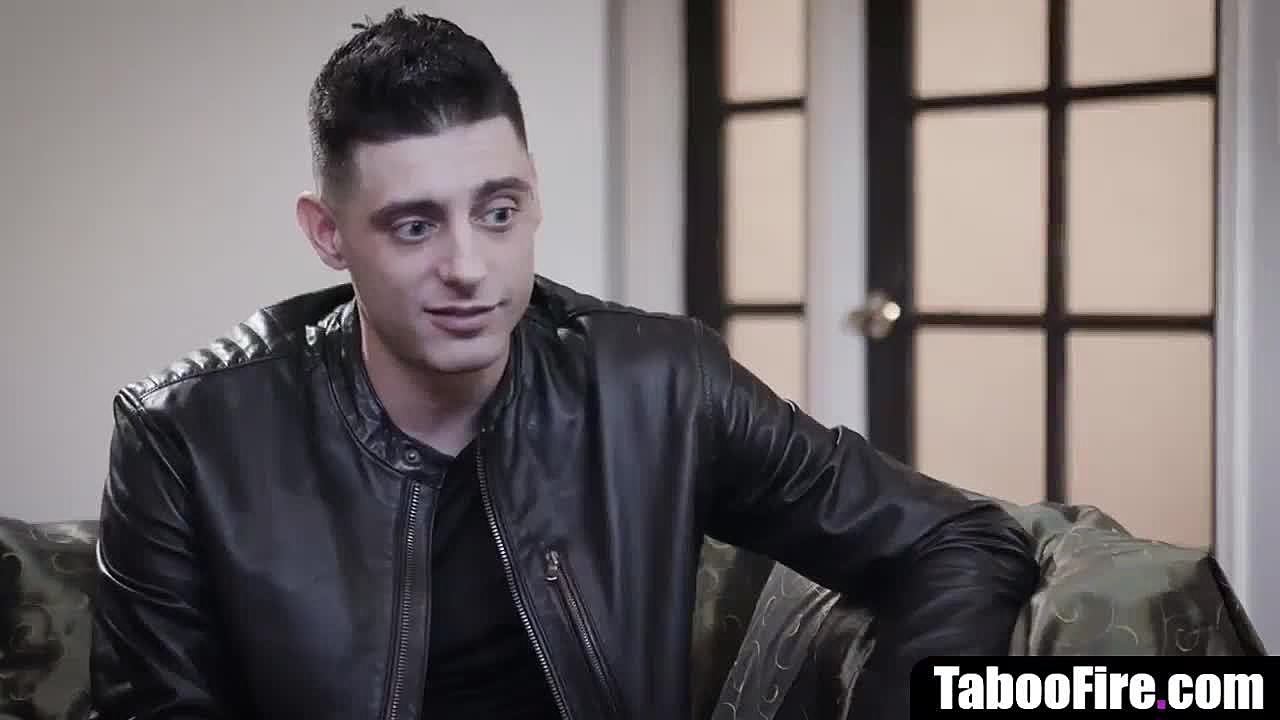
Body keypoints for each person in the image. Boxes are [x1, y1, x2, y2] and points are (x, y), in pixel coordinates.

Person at [89, 9, 1039, 720]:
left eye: (497, 212)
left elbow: (958, 541)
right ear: (328, 234)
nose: (469, 266)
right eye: (414, 226)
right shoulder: (186, 439)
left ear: (534, 197)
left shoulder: (655, 386)